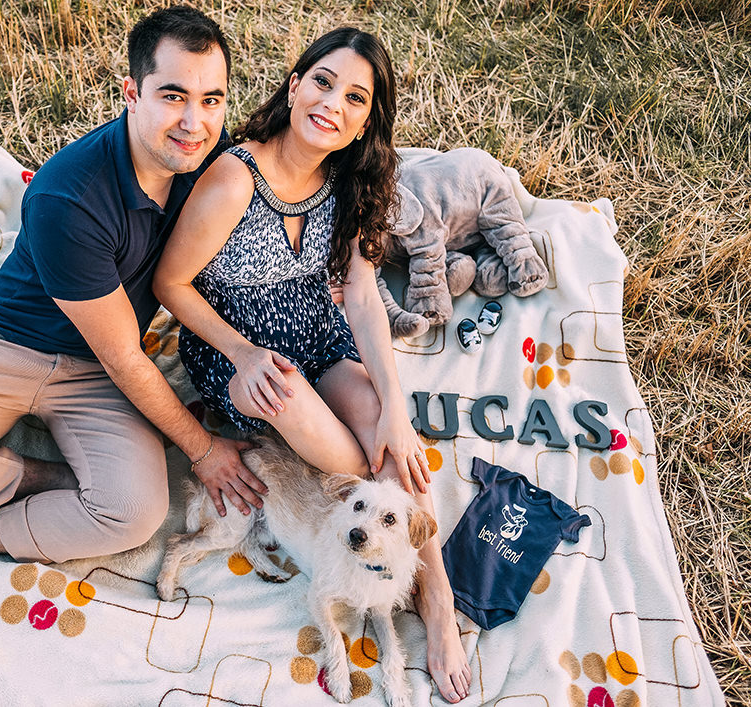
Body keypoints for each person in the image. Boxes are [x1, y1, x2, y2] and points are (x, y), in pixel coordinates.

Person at [0, 5, 270, 607]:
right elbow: (126, 358)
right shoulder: (68, 196)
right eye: (173, 96)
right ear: (131, 92)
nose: (194, 122)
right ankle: (31, 475)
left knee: (135, 512)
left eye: (211, 100)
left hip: (95, 371)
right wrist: (202, 450)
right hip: (13, 347)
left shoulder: (208, 161)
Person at [152, 28, 472, 703]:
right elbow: (171, 285)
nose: (333, 103)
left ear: (366, 121)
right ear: (295, 85)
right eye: (323, 82)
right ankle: (410, 582)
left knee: (395, 454)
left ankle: (434, 598)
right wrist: (240, 351)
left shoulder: (349, 179)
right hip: (248, 357)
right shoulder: (236, 177)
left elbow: (360, 295)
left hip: (319, 336)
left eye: (355, 97)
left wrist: (397, 409)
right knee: (356, 471)